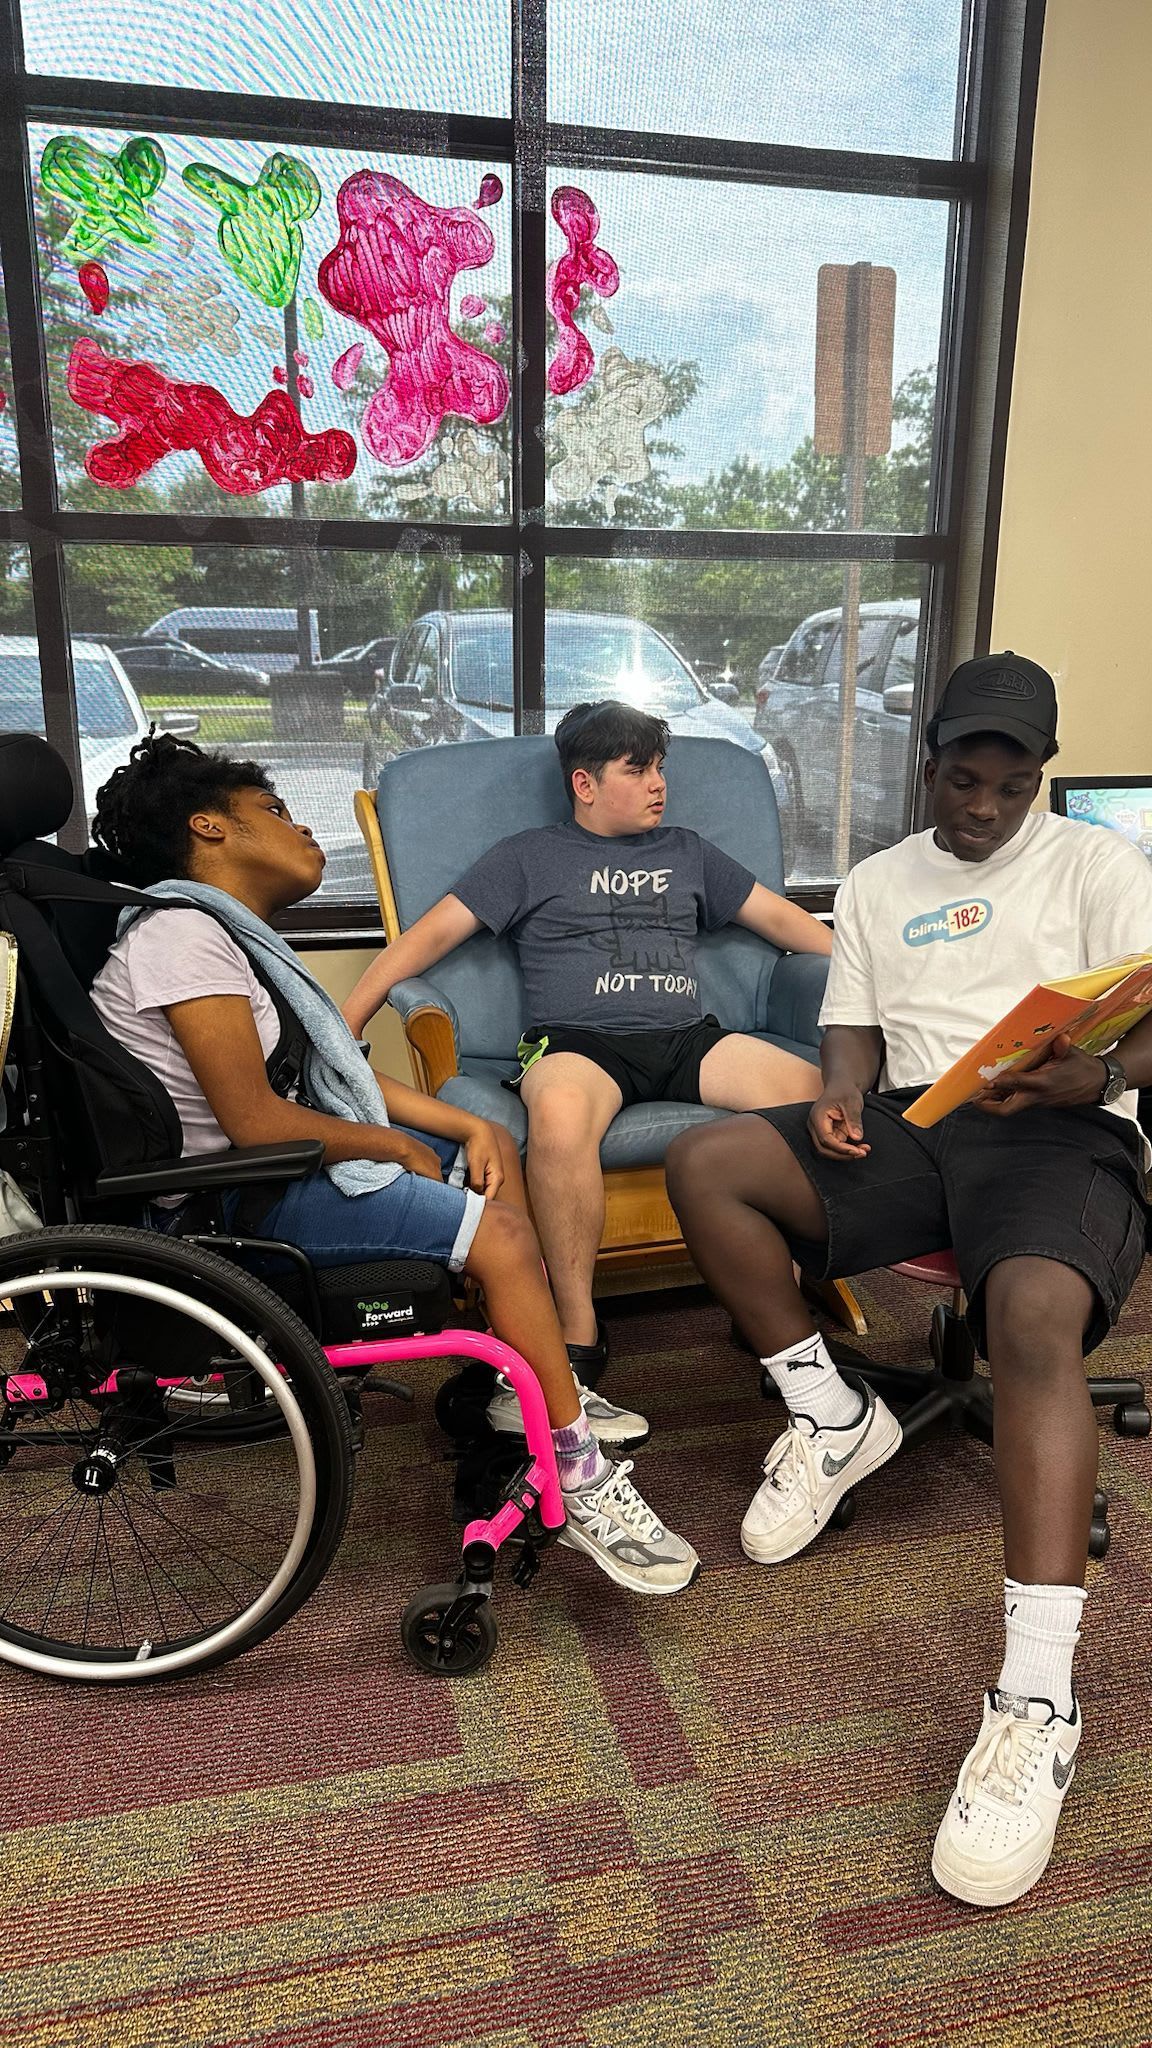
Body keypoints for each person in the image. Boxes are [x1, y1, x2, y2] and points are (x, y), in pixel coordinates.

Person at [665, 652, 1152, 1907]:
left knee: (1031, 1317)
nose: (982, 805)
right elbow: (853, 1018)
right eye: (960, 776)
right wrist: (836, 1090)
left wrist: (1093, 1080)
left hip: (1059, 1129)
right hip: (915, 1123)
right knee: (707, 1161)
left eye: (1009, 783)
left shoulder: (1097, 863)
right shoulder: (881, 880)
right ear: (925, 759)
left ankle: (1037, 1700)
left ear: (1039, 776)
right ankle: (833, 1412)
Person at [88, 732, 699, 1599]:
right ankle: (578, 1470)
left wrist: (464, 1125)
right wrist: (393, 1146)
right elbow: (255, 1118)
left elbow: (331, 1075)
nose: (302, 832)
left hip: (272, 1169)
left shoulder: (228, 940)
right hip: (237, 1199)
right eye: (275, 811)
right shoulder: (181, 941)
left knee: (496, 1156)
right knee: (497, 1240)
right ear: (208, 828)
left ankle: (517, 1389)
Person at [343, 699, 832, 1396]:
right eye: (639, 770)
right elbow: (425, 940)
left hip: (685, 1038)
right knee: (562, 1120)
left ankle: (773, 1304)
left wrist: (878, 979)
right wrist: (345, 1022)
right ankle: (577, 1328)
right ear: (585, 783)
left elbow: (784, 921)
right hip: (577, 1045)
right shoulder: (528, 857)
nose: (659, 783)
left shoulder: (688, 851)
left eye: (660, 767)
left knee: (817, 1095)